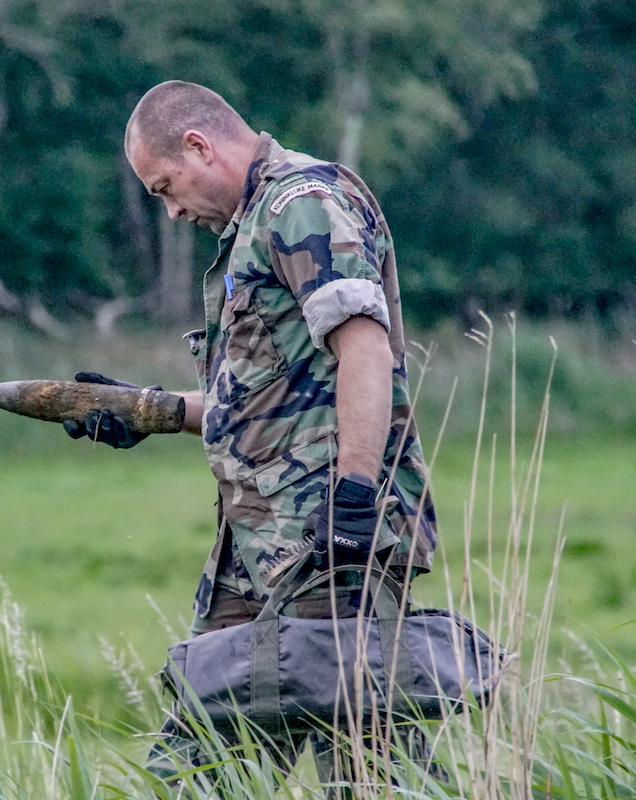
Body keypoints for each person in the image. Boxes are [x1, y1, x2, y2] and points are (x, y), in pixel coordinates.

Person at [65, 80, 439, 787]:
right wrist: (149, 411)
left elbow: (364, 350)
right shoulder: (253, 227)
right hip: (257, 552)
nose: (171, 211)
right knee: (203, 770)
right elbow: (270, 397)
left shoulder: (301, 206)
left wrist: (355, 496)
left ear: (199, 146)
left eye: (165, 187)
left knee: (369, 772)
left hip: (331, 544)